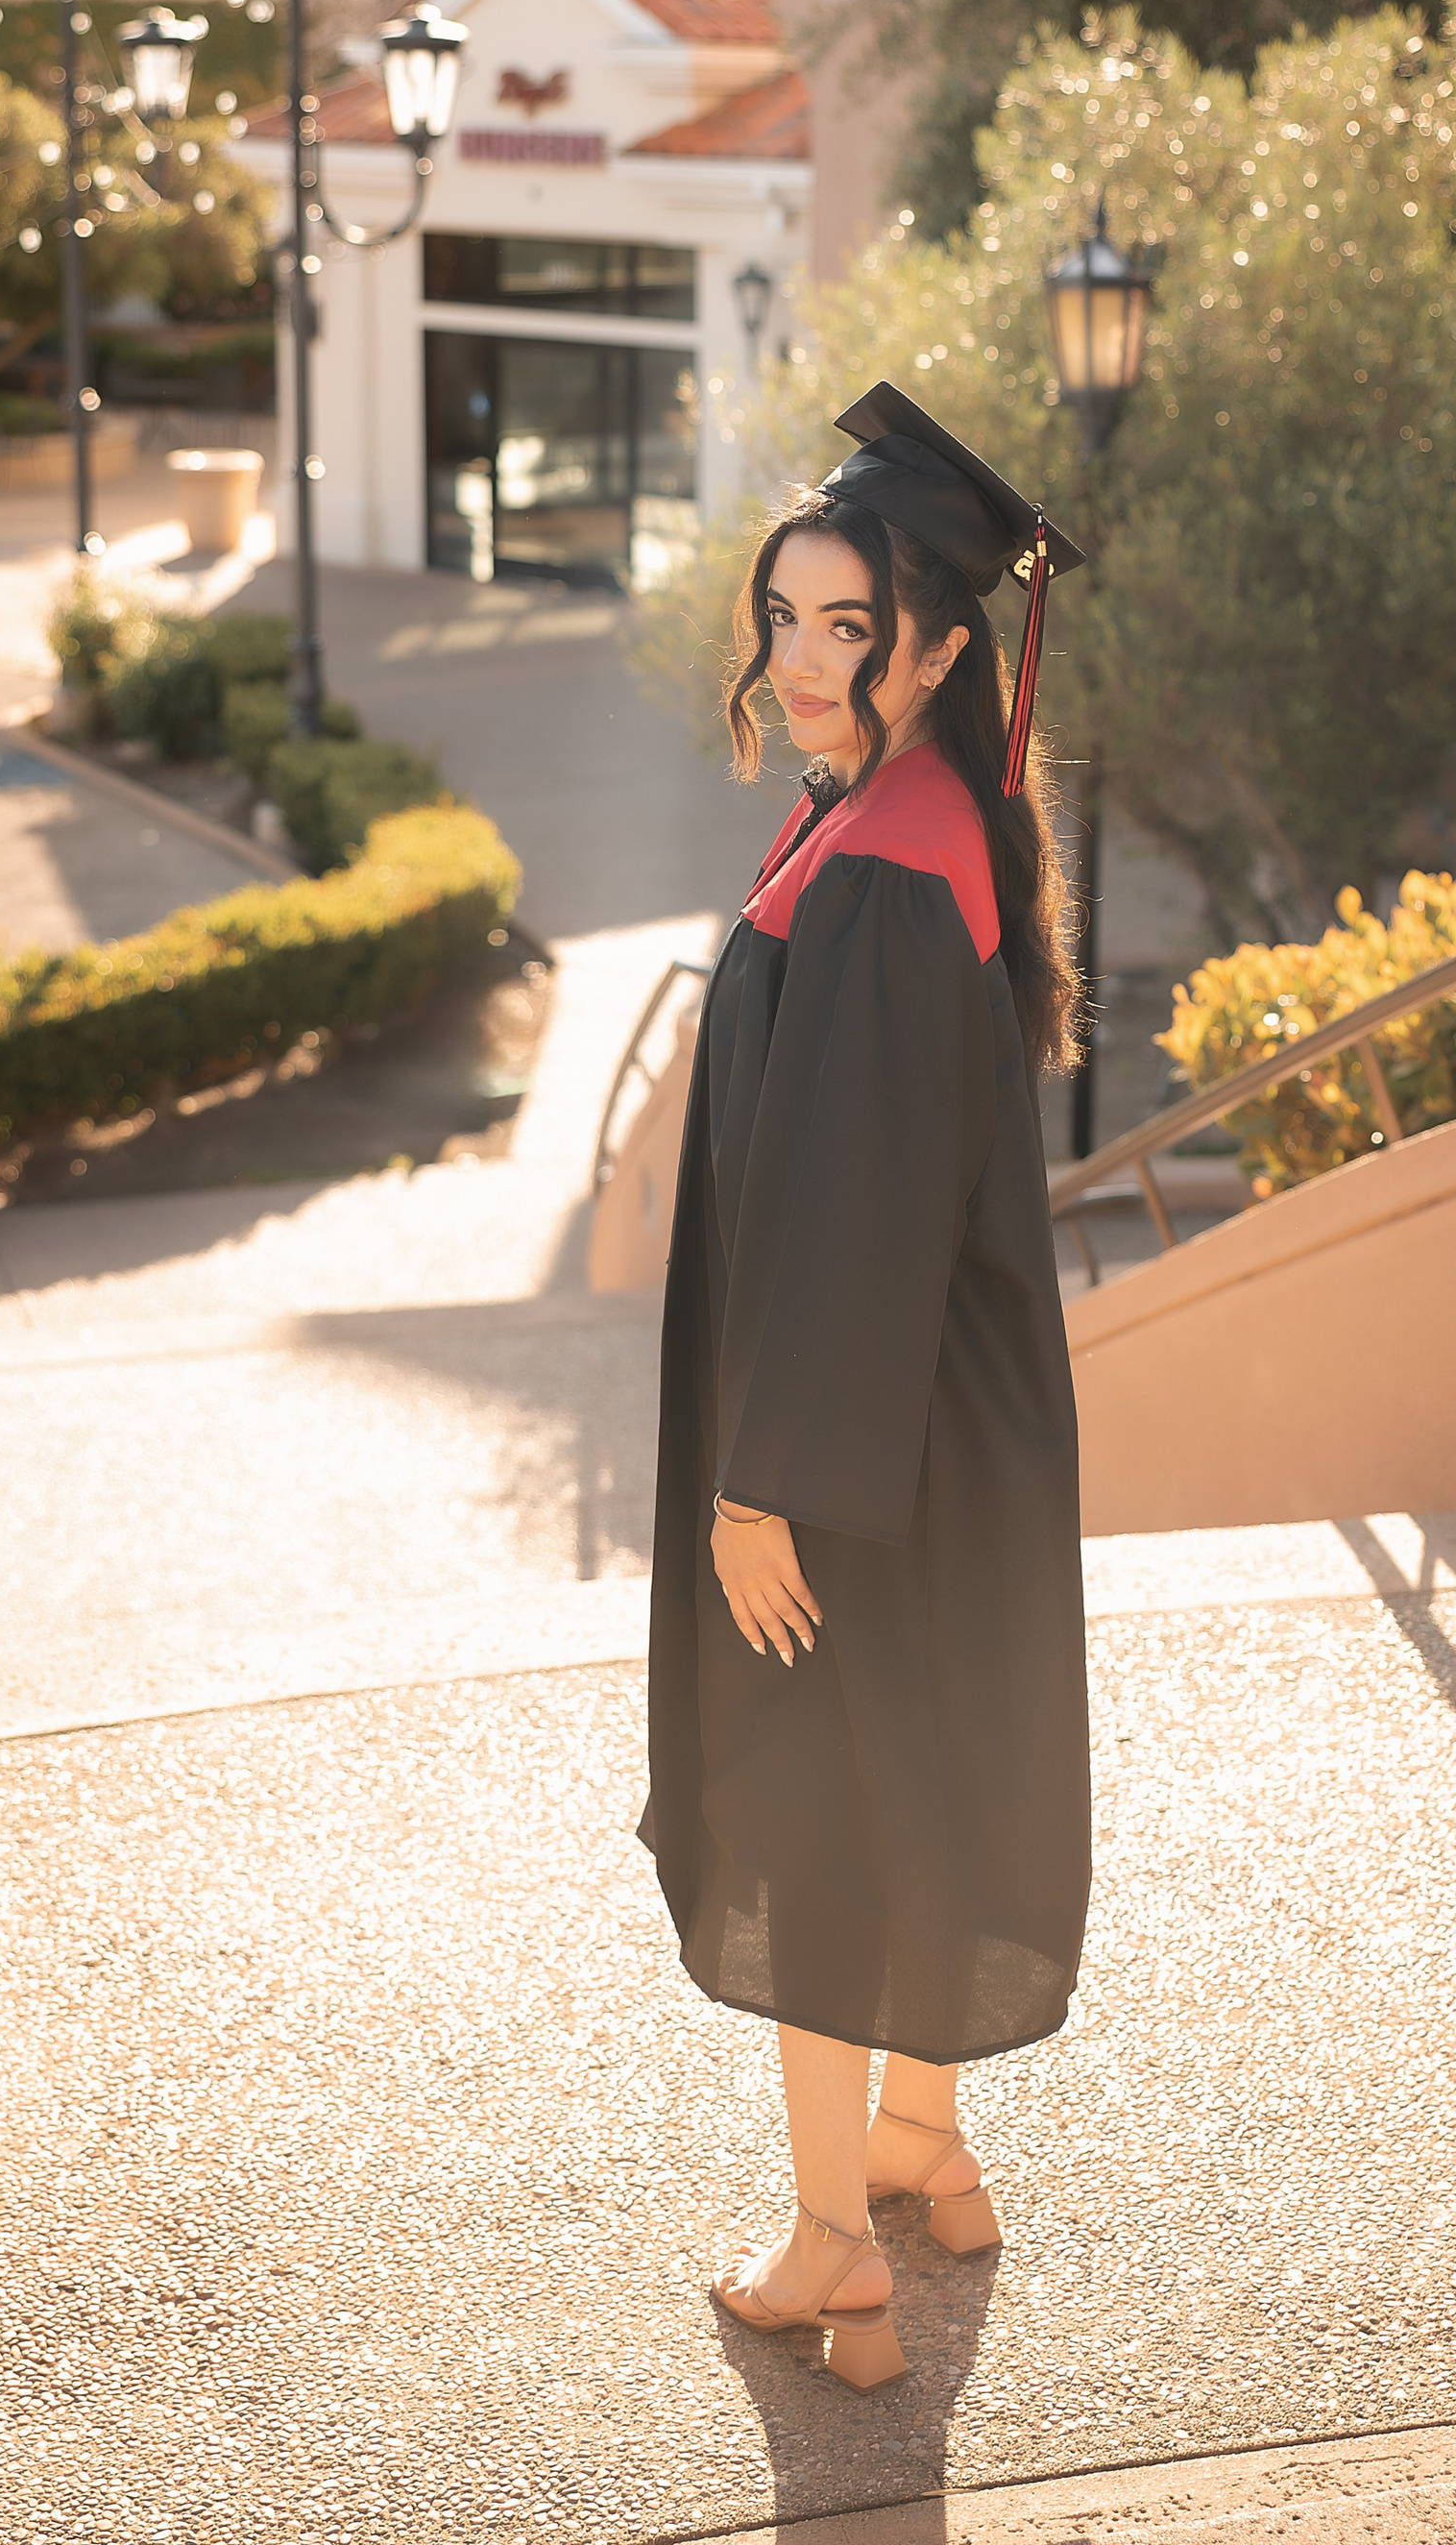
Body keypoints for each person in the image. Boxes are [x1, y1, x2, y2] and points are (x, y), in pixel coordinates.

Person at [640, 382, 1093, 2392]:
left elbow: (848, 1212)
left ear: (934, 646)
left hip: (853, 1449)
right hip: (918, 1423)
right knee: (906, 1771)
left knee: (814, 1799)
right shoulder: (895, 819)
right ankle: (919, 2136)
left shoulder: (892, 861)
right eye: (788, 616)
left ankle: (833, 2242)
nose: (806, 661)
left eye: (851, 627)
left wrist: (763, 1488)